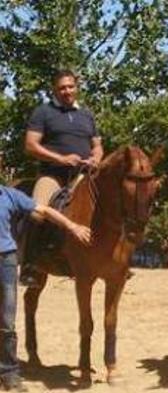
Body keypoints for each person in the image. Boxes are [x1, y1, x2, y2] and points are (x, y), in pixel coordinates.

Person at [0, 185, 91, 392]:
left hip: (6, 260)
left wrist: (72, 226)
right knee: (35, 221)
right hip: (51, 174)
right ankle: (32, 262)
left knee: (7, 320)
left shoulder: (8, 195)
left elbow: (46, 210)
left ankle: (9, 374)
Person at [20, 69, 102, 286]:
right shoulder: (43, 112)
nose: (67, 91)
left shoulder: (87, 115)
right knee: (36, 212)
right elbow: (31, 145)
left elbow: (98, 146)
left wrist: (95, 158)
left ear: (76, 87)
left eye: (70, 86)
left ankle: (110, 259)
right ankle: (30, 265)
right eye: (62, 88)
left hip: (83, 175)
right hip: (53, 174)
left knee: (107, 206)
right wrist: (61, 159)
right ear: (54, 90)